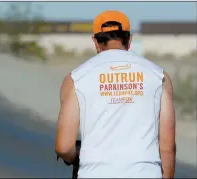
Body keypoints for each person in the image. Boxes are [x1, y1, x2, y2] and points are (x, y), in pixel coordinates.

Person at [55, 10, 176, 178]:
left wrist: (77, 156)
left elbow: (63, 147)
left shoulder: (76, 78)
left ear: (95, 41)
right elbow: (167, 147)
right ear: (129, 40)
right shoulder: (158, 76)